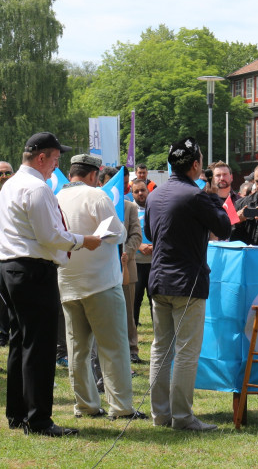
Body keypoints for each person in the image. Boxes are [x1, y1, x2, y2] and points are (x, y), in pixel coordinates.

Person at [0, 132, 102, 437]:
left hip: (10, 267)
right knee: (40, 345)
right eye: (55, 158)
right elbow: (50, 236)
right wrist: (85, 240)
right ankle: (39, 419)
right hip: (32, 269)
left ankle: (18, 413)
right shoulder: (36, 188)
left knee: (21, 341)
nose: (57, 165)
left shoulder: (10, 185)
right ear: (41, 157)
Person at [145, 137, 231, 431]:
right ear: (195, 165)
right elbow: (224, 227)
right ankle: (182, 417)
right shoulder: (196, 196)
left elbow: (149, 231)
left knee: (160, 349)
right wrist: (211, 196)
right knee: (185, 351)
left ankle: (161, 415)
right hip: (187, 282)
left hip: (159, 280)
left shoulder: (154, 195)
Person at [57, 155, 145, 420]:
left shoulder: (55, 197)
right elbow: (118, 233)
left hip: (68, 281)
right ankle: (121, 407)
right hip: (101, 283)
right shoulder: (96, 196)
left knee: (77, 349)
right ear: (94, 175)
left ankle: (85, 405)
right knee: (113, 347)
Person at [99, 167, 144, 365]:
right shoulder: (96, 205)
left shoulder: (129, 207)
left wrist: (128, 252)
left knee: (127, 312)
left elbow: (136, 234)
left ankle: (131, 349)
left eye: (124, 183)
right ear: (102, 183)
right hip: (100, 268)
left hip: (126, 266)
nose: (122, 187)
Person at [131, 179, 154, 326]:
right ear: (132, 193)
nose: (140, 193)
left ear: (148, 190)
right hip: (137, 262)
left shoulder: (156, 207)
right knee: (135, 299)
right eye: (136, 191)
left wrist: (154, 247)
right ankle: (133, 329)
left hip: (154, 262)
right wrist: (139, 246)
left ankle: (158, 328)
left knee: (155, 298)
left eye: (143, 190)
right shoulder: (129, 209)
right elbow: (125, 232)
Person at [0, 162, 12, 346]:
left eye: (7, 173)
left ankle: (6, 332)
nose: (3, 176)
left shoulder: (14, 196)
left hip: (11, 255)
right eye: (0, 173)